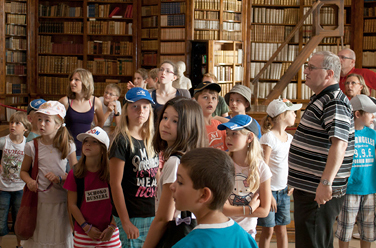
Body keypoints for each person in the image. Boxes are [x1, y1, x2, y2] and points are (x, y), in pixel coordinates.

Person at [288, 51, 355, 248]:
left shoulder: (333, 100)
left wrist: (326, 182)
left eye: (311, 68)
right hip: (310, 188)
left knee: (314, 242)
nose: (306, 71)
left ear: (329, 74)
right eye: (306, 67)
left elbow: (340, 144)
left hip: (318, 190)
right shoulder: (323, 97)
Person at [143, 97, 207, 248]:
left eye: (175, 121)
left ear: (189, 126)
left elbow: (164, 218)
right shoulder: (197, 157)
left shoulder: (175, 162)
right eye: (165, 117)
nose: (165, 124)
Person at [170, 148, 258, 248]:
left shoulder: (186, 245)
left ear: (203, 195)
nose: (172, 186)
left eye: (180, 182)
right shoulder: (246, 239)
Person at [20, 101, 77, 248]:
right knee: (41, 238)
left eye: (47, 120)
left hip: (61, 203)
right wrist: (29, 181)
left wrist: (61, 178)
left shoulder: (68, 145)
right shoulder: (31, 146)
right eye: (39, 119)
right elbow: (23, 171)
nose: (42, 124)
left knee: (59, 239)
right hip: (40, 203)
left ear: (58, 124)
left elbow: (77, 174)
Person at [109, 87, 159, 248]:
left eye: (145, 107)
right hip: (132, 214)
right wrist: (125, 221)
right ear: (125, 111)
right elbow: (115, 184)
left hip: (153, 211)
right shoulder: (122, 141)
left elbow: (156, 173)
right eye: (135, 106)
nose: (140, 111)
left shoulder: (152, 139)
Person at [64, 127, 121, 248]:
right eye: (85, 141)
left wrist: (112, 226)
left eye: (94, 142)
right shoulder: (75, 173)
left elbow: (120, 202)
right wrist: (86, 227)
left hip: (110, 232)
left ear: (103, 149)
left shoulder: (113, 172)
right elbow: (72, 205)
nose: (88, 144)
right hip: (84, 233)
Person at [257, 99, 302, 248]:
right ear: (282, 115)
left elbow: (290, 163)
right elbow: (262, 167)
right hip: (268, 192)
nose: (295, 115)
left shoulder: (290, 138)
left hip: (283, 191)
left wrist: (292, 182)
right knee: (268, 230)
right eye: (292, 112)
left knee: (282, 230)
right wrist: (268, 194)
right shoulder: (268, 138)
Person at [218, 115, 272, 238]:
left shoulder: (262, 168)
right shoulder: (223, 163)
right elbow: (222, 208)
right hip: (225, 229)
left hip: (248, 233)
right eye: (227, 133)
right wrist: (249, 209)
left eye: (234, 134)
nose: (228, 138)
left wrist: (237, 210)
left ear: (249, 137)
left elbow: (264, 211)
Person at [335, 94, 376, 248]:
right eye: (370, 113)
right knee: (345, 229)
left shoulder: (373, 134)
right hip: (350, 189)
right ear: (357, 114)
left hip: (370, 188)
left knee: (368, 230)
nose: (373, 116)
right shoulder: (345, 134)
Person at [0, 111, 31, 248]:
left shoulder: (28, 145)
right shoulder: (3, 142)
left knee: (19, 219)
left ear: (25, 128)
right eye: (11, 122)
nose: (13, 125)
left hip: (20, 188)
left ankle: (20, 245)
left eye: (17, 123)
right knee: (1, 219)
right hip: (3, 188)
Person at [59, 68, 104, 159]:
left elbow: (101, 122)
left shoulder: (95, 101)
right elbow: (55, 124)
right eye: (71, 79)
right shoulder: (65, 101)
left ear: (86, 82)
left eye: (76, 80)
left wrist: (93, 135)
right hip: (67, 149)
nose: (72, 82)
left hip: (88, 150)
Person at [194, 81, 227, 151]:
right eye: (205, 97)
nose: (210, 101)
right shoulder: (194, 127)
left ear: (217, 103)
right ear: (195, 101)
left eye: (214, 98)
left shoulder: (220, 126)